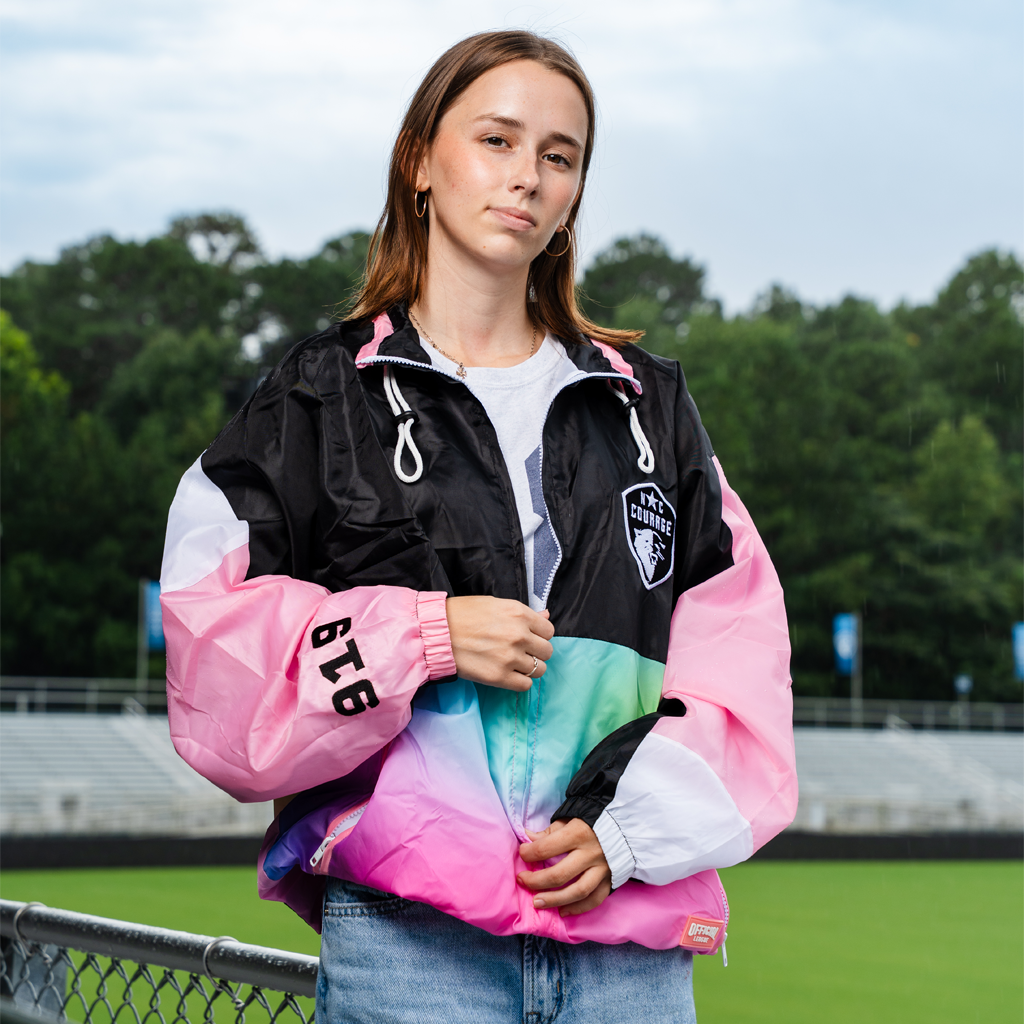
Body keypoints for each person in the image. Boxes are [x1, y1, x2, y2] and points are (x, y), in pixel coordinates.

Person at [159, 30, 797, 1023]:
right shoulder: (320, 396)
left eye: (559, 155)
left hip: (627, 952)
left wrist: (625, 832)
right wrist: (423, 636)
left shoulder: (650, 407)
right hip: (410, 951)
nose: (527, 179)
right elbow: (210, 647)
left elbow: (740, 656)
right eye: (496, 140)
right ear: (421, 158)